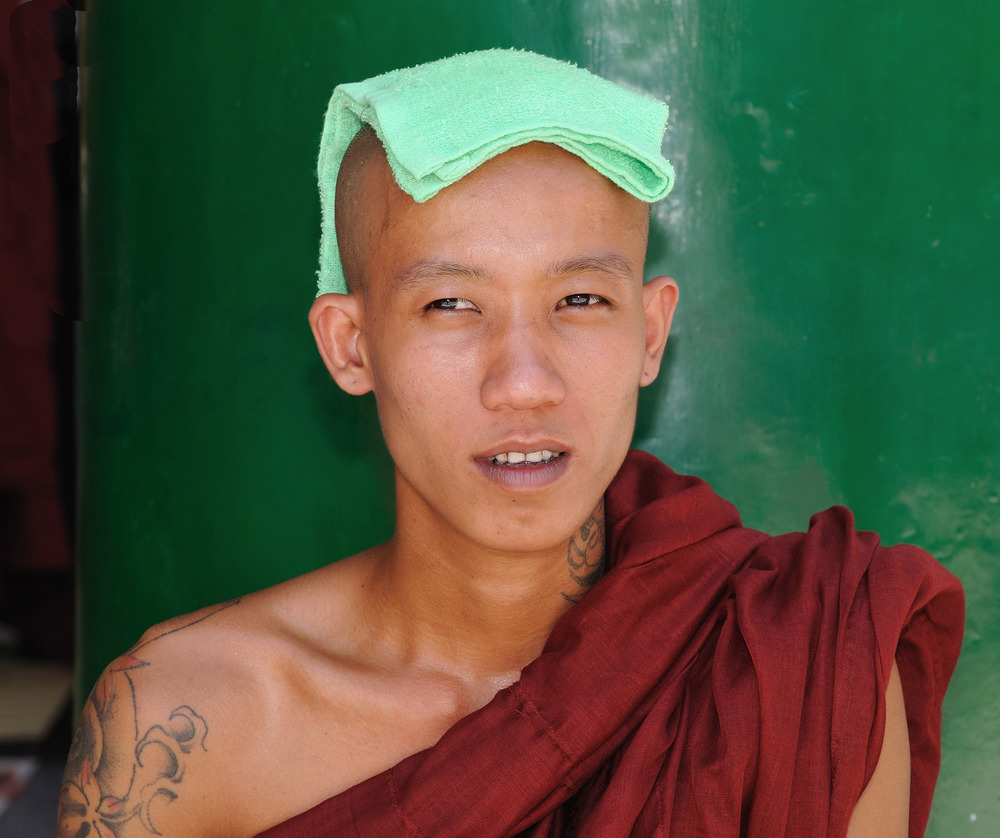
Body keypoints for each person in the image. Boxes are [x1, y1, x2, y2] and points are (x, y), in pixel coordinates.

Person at [57, 50, 963, 838]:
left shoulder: (795, 662)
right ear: (350, 344)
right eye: (451, 305)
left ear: (651, 335)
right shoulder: (185, 724)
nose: (524, 382)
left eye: (579, 301)